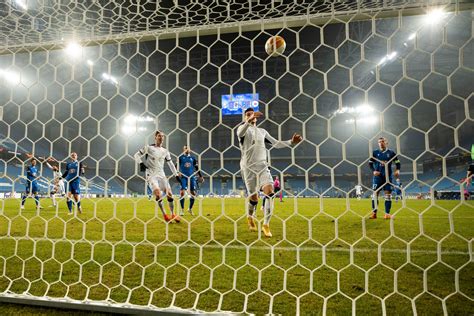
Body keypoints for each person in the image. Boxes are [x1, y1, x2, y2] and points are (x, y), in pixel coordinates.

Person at [237, 108, 302, 237]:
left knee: (270, 192)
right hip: (248, 167)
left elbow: (276, 144)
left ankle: (266, 225)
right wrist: (248, 121)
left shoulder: (262, 132)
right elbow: (240, 134)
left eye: (252, 115)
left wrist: (291, 142)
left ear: (256, 118)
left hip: (262, 166)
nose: (251, 116)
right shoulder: (242, 130)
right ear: (245, 118)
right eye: (248, 115)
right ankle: (250, 216)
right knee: (254, 199)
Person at [135, 130, 180, 223]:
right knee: (158, 194)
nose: (161, 138)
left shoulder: (165, 151)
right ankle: (165, 215)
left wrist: (176, 175)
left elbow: (171, 163)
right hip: (151, 174)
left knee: (170, 195)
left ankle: (173, 214)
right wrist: (141, 163)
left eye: (163, 136)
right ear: (155, 137)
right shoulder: (148, 148)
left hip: (161, 174)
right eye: (159, 136)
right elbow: (136, 155)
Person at [369, 137, 400, 219]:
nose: (381, 143)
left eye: (382, 141)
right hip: (377, 177)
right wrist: (373, 171)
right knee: (375, 195)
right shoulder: (375, 153)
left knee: (388, 195)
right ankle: (374, 213)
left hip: (387, 177)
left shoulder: (391, 153)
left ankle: (387, 214)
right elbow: (370, 163)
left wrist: (397, 170)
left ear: (386, 142)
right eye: (379, 142)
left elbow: (397, 162)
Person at [177, 145, 204, 216]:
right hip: (183, 177)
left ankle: (190, 209)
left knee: (193, 194)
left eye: (187, 148)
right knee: (182, 193)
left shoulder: (193, 158)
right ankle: (182, 210)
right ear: (183, 150)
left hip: (192, 177)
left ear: (190, 149)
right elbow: (175, 166)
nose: (186, 149)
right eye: (185, 148)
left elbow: (197, 168)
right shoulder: (180, 158)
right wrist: (178, 172)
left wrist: (200, 176)